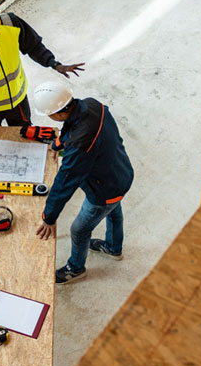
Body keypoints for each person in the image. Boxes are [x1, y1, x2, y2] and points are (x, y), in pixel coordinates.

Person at [32, 82, 133, 284]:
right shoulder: (92, 105)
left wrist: (49, 217)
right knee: (113, 211)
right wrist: (59, 143)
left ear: (58, 113)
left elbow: (65, 181)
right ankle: (113, 248)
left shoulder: (80, 145)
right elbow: (75, 128)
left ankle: (76, 268)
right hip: (121, 173)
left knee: (79, 229)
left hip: (103, 191)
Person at [0, 0, 85, 133]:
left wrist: (54, 64)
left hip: (18, 100)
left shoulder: (11, 23)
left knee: (25, 134)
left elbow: (33, 46)